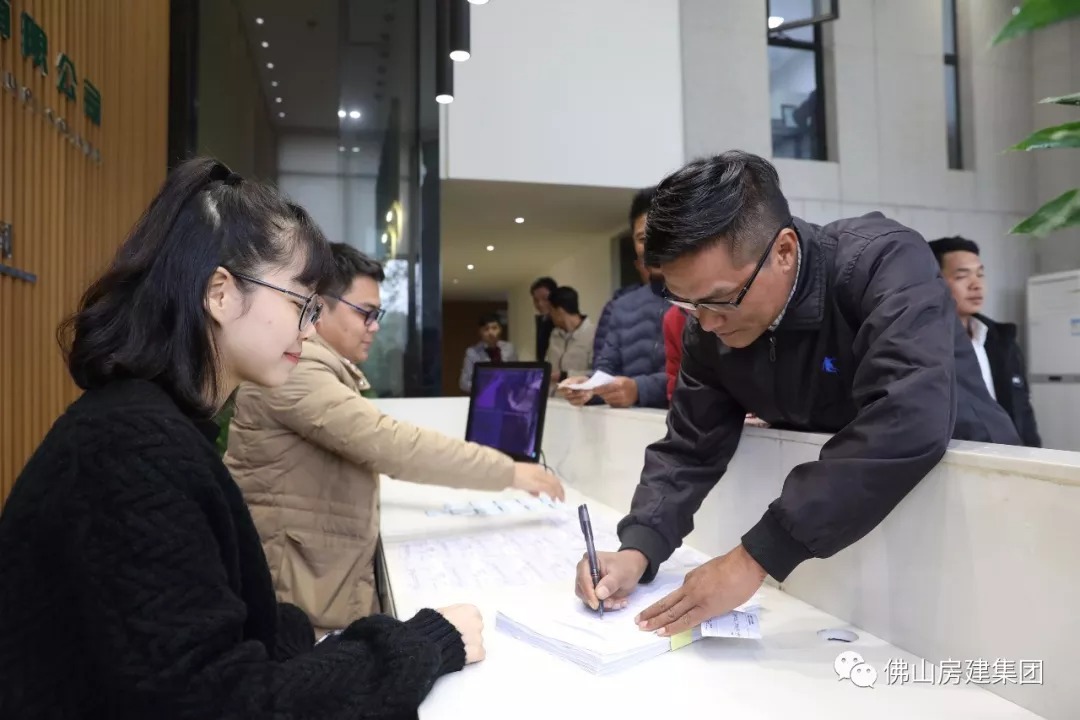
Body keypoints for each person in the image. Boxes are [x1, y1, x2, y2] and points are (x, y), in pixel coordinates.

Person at [0, 158, 485, 719]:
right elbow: (220, 702)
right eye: (300, 303)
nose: (310, 328)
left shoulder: (149, 426)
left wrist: (310, 640)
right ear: (221, 293)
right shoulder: (130, 451)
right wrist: (425, 643)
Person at [573, 151, 1021, 636]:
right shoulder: (708, 327)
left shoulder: (881, 261)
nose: (706, 322)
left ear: (784, 251)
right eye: (687, 302)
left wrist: (753, 557)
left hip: (987, 499)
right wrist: (638, 548)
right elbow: (690, 445)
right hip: (855, 529)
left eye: (721, 300)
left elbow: (907, 416)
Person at [226, 244, 563, 634]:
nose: (374, 327)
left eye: (377, 315)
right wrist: (511, 472)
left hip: (307, 578)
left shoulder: (316, 366)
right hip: (296, 599)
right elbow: (392, 444)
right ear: (319, 305)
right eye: (365, 313)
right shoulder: (298, 370)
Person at [929, 236, 1041, 447]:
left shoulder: (1002, 340)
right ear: (934, 282)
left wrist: (1035, 457)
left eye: (980, 275)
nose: (976, 285)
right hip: (964, 460)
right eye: (962, 276)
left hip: (1012, 457)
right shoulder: (926, 347)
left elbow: (1023, 412)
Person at [593, 188, 654, 362]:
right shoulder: (618, 307)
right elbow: (603, 365)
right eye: (642, 239)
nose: (652, 246)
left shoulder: (699, 300)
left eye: (661, 235)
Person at [545, 285, 596, 388]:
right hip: (552, 395)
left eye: (551, 310)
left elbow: (597, 374)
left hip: (577, 395)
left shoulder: (594, 335)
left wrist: (564, 376)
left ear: (559, 312)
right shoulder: (554, 335)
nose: (549, 315)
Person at [460, 313, 517, 393]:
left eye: (494, 328)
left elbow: (516, 374)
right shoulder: (472, 353)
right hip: (483, 395)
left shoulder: (509, 348)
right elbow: (464, 383)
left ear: (500, 329)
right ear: (480, 332)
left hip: (506, 394)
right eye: (486, 329)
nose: (491, 332)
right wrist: (486, 387)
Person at [531, 276, 558, 362]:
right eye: (536, 300)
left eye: (545, 299)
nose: (540, 304)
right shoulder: (541, 322)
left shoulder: (563, 323)